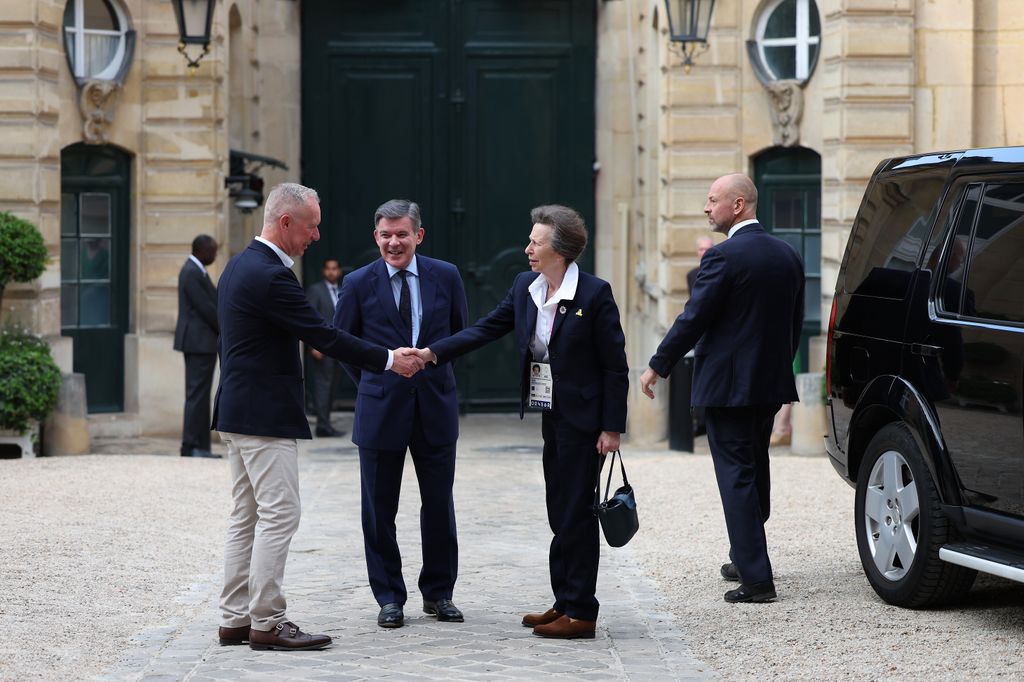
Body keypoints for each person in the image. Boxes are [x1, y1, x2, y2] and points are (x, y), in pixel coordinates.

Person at [212, 183, 424, 652]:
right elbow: (324, 336)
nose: (316, 235)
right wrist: (391, 358)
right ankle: (267, 621)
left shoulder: (238, 266)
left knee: (246, 517)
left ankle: (234, 618)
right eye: (311, 226)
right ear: (286, 222)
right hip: (262, 416)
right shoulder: (270, 275)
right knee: (279, 515)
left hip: (236, 410)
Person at [417, 204, 628, 640]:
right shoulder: (524, 287)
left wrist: (612, 426)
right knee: (559, 509)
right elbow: (486, 328)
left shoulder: (594, 294)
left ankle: (583, 612)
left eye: (536, 241)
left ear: (561, 249)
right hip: (552, 414)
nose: (527, 247)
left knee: (576, 512)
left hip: (585, 421)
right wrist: (433, 352)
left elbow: (614, 366)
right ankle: (564, 600)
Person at [639, 173, 804, 604]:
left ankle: (756, 580)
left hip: (729, 386)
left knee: (736, 477)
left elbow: (694, 318)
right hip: (768, 384)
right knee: (754, 469)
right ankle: (743, 554)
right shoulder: (788, 254)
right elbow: (794, 325)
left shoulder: (722, 257)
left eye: (713, 200)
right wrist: (777, 370)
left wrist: (658, 364)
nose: (706, 208)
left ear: (738, 205)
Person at [334, 199, 469, 629]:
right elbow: (343, 346)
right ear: (376, 236)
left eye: (402, 234)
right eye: (386, 235)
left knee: (439, 507)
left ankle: (439, 594)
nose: (394, 243)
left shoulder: (446, 276)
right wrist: (377, 383)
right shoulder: (356, 283)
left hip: (435, 407)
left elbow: (459, 337)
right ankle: (389, 597)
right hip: (380, 410)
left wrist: (431, 376)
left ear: (419, 236)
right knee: (378, 511)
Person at [173, 234, 220, 459]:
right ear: (202, 251)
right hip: (198, 342)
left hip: (202, 343)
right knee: (197, 396)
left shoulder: (197, 270)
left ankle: (200, 445)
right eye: (213, 251)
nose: (215, 255)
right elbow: (206, 309)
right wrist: (227, 327)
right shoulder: (192, 272)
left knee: (200, 395)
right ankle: (191, 445)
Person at [306, 257, 345, 437]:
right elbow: (309, 318)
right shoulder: (316, 290)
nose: (331, 272)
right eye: (328, 269)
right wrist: (313, 345)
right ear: (324, 271)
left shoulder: (342, 290)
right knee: (323, 386)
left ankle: (326, 422)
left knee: (333, 386)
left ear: (339, 271)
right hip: (322, 348)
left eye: (335, 269)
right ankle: (322, 425)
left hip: (339, 347)